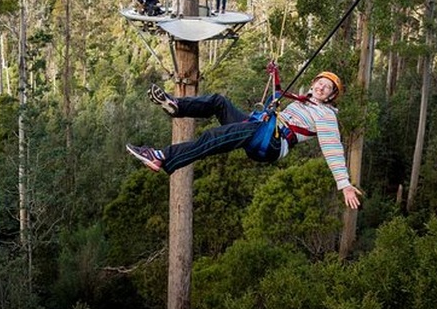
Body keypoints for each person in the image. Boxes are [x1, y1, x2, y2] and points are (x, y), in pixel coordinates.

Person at [126, 65, 363, 209]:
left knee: (214, 136)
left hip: (271, 141)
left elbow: (332, 148)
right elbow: (277, 95)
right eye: (320, 83)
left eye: (327, 88)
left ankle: (162, 157)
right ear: (312, 85)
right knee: (219, 102)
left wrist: (344, 185)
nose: (321, 88)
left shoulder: (326, 115)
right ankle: (177, 106)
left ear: (331, 97)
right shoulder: (302, 100)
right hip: (260, 128)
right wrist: (275, 75)